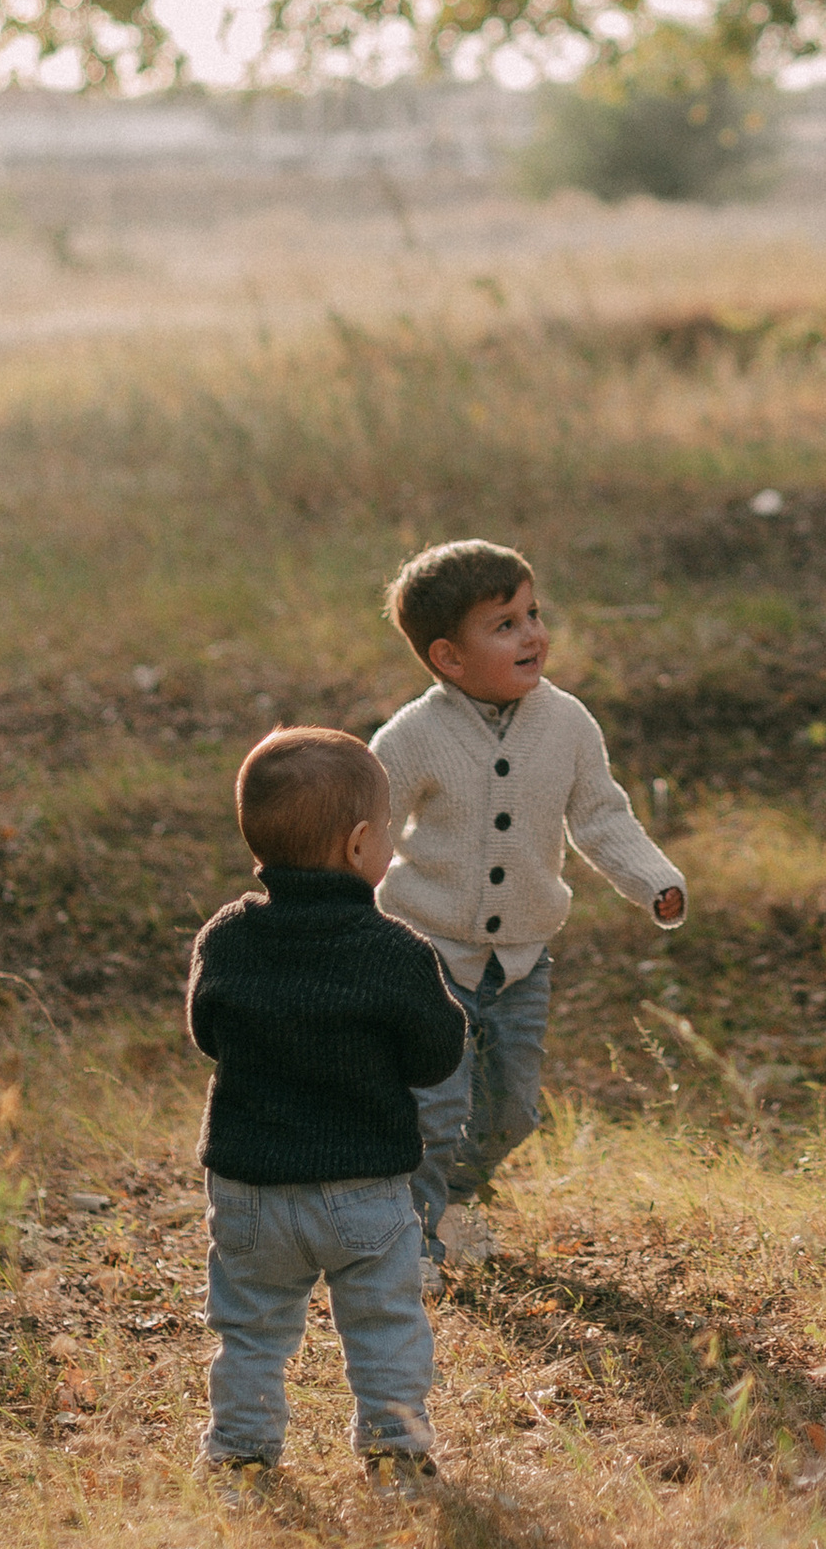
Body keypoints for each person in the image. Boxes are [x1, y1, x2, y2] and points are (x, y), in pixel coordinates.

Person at [372, 541, 687, 1262]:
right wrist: (339, 913)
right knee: (436, 1105)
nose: (534, 634)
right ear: (449, 658)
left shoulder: (568, 723)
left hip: (520, 961)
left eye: (533, 613)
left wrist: (654, 881)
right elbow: (370, 829)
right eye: (505, 624)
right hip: (427, 954)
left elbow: (602, 817)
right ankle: (409, 1242)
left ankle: (451, 1200)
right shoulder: (415, 736)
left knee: (513, 1110)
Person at [186, 725, 469, 1483]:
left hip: (248, 1188)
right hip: (362, 1192)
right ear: (359, 847)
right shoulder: (396, 952)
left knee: (249, 1333)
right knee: (383, 1325)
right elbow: (438, 1054)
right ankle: (394, 1449)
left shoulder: (227, 938)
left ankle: (239, 1456)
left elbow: (207, 1032)